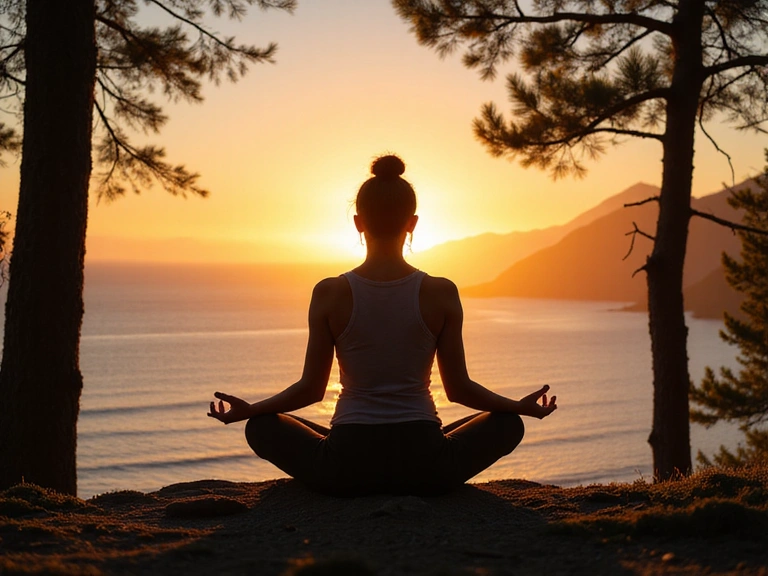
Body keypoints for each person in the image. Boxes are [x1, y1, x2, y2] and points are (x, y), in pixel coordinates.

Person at [208, 154, 557, 496]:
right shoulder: (441, 292)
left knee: (262, 427)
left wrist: (251, 410)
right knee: (507, 424)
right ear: (413, 222)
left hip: (345, 466)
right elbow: (459, 390)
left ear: (359, 222)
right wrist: (517, 406)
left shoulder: (329, 292)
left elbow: (311, 390)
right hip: (427, 465)